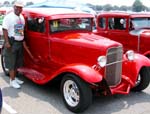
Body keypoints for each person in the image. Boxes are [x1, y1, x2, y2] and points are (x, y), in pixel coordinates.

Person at [2, 1, 26, 89]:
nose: (18, 9)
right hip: (11, 42)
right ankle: (12, 81)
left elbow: (20, 30)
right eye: (17, 7)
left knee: (17, 62)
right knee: (12, 62)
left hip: (19, 42)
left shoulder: (21, 17)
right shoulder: (9, 17)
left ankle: (14, 78)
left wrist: (22, 40)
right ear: (14, 7)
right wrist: (7, 42)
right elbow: (5, 29)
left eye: (20, 8)